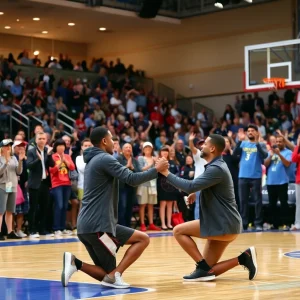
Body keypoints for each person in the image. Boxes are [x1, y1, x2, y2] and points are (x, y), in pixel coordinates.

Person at [61, 127, 168, 289]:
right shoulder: (104, 159)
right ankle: (115, 275)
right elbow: (131, 179)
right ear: (104, 141)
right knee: (142, 240)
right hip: (99, 226)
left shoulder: (93, 160)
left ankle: (76, 263)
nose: (114, 143)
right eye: (112, 140)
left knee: (106, 273)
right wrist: (157, 170)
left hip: (89, 226)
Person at [157, 134, 257, 282]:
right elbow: (205, 187)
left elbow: (190, 185)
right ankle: (244, 258)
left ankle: (201, 265)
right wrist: (196, 193)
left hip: (223, 224)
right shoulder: (215, 166)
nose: (201, 146)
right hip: (225, 224)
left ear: (212, 148)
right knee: (206, 273)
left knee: (178, 231)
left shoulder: (217, 168)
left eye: (205, 144)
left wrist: (165, 172)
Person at [233, 125, 268, 231]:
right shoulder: (243, 143)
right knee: (243, 201)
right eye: (248, 131)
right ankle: (244, 223)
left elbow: (265, 155)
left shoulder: (261, 144)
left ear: (257, 133)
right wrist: (239, 141)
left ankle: (258, 223)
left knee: (258, 201)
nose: (250, 132)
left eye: (252, 131)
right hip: (243, 176)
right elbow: (235, 154)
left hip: (256, 176)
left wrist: (257, 143)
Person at [27, 132, 54, 238]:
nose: (42, 140)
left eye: (44, 138)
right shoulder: (31, 151)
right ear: (36, 140)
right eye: (40, 138)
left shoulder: (47, 151)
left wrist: (49, 156)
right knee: (33, 208)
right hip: (35, 183)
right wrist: (39, 159)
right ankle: (32, 230)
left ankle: (42, 229)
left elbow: (51, 164)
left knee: (44, 207)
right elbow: (29, 166)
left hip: (45, 182)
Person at [264, 136, 292, 230]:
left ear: (284, 143)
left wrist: (279, 154)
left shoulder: (288, 152)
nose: (278, 143)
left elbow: (287, 164)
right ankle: (274, 224)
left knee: (284, 203)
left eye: (280, 141)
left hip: (282, 181)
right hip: (271, 181)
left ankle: (286, 223)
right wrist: (271, 155)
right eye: (277, 141)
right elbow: (265, 164)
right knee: (272, 204)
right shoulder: (270, 152)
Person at [0, 139, 25, 240]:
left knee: (10, 210)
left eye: (10, 146)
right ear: (1, 148)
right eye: (6, 146)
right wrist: (5, 162)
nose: (8, 148)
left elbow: (19, 172)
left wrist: (20, 161)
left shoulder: (13, 158)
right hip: (2, 185)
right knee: (1, 210)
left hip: (12, 185)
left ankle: (10, 231)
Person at [49, 139, 75, 236]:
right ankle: (56, 228)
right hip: (57, 184)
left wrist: (65, 160)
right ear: (55, 147)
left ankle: (63, 227)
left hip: (67, 183)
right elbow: (52, 170)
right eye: (59, 145)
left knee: (64, 206)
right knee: (58, 205)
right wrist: (60, 163)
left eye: (63, 145)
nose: (61, 147)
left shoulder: (67, 156)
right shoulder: (53, 156)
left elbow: (72, 167)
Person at [137, 142, 161, 231]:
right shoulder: (140, 158)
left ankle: (151, 223)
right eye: (146, 148)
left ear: (152, 149)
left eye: (149, 148)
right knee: (142, 205)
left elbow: (158, 171)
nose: (147, 149)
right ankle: (142, 224)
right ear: (143, 150)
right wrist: (152, 164)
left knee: (151, 205)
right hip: (143, 184)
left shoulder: (155, 158)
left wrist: (157, 163)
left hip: (153, 184)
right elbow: (141, 169)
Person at [188, 133, 206, 220]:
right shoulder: (198, 154)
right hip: (199, 183)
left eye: (204, 144)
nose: (202, 145)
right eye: (200, 144)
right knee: (199, 204)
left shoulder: (212, 156)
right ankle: (197, 224)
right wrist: (191, 140)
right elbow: (192, 148)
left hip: (209, 183)